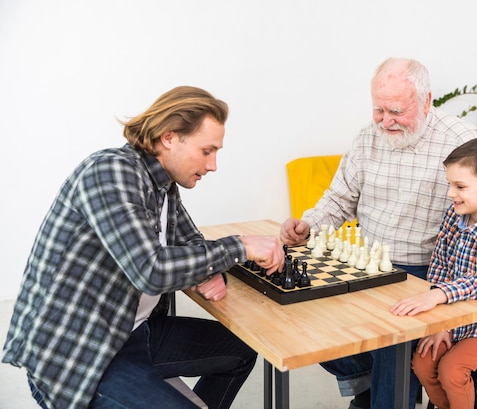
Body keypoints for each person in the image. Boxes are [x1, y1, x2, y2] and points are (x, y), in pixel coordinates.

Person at [2, 86, 285, 409]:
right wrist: (241, 246)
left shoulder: (163, 185)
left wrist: (212, 266)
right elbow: (151, 271)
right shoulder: (111, 171)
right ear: (169, 137)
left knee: (241, 351)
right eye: (207, 150)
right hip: (79, 353)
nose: (213, 165)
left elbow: (192, 243)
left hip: (132, 332)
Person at [280, 58, 477, 409]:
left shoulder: (460, 140)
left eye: (396, 111)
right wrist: (308, 224)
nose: (386, 121)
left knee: (391, 339)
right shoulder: (367, 138)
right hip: (369, 264)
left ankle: (388, 395)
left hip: (423, 272)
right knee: (311, 324)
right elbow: (338, 199)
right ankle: (377, 388)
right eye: (378, 109)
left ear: (426, 100)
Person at [390, 136, 477, 409]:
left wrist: (437, 296)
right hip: (455, 318)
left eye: (460, 186)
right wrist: (442, 324)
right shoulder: (455, 215)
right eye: (450, 184)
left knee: (452, 370)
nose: (451, 193)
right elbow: (440, 261)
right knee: (423, 363)